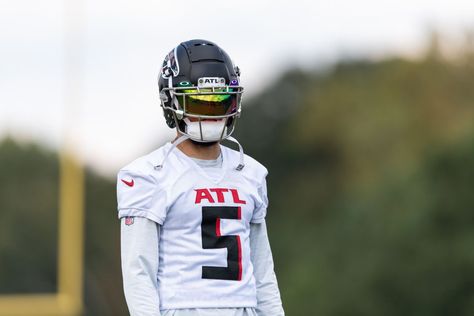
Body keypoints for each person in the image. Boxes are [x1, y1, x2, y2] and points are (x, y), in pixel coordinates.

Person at [117, 39, 285, 316]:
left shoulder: (250, 172)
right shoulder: (148, 175)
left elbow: (263, 272)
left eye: (220, 101)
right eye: (199, 101)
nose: (210, 113)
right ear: (170, 102)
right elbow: (139, 275)